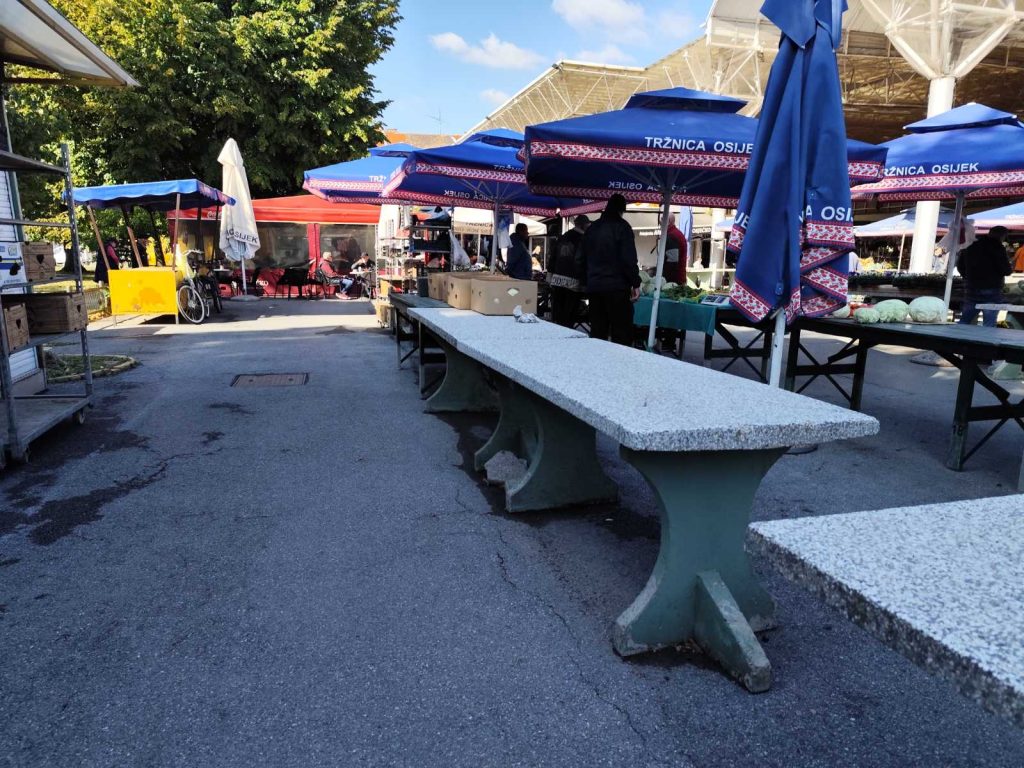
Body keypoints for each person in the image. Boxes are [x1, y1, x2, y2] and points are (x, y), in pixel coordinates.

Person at [581, 193, 640, 345]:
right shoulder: (623, 227)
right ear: (622, 209)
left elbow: (581, 258)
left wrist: (586, 282)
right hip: (617, 289)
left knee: (597, 332)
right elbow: (628, 259)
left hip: (595, 287)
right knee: (621, 334)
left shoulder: (592, 228)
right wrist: (635, 283)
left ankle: (597, 359)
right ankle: (618, 361)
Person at [957, 225, 1012, 327]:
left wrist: (968, 277)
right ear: (1002, 236)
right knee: (989, 324)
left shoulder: (971, 245)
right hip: (991, 289)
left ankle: (956, 335)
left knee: (965, 320)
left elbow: (960, 266)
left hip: (972, 287)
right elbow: (1006, 270)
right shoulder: (997, 247)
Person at [549, 214, 590, 327]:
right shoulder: (583, 239)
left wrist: (550, 274)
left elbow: (553, 257)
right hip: (573, 281)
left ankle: (558, 333)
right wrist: (584, 281)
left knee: (559, 312)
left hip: (557, 279)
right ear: (583, 225)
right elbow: (581, 261)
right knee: (569, 314)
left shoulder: (563, 236)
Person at [662, 218, 688, 284]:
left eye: (662, 219)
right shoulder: (677, 233)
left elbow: (672, 262)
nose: (660, 223)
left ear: (668, 221)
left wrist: (665, 280)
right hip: (679, 277)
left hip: (674, 280)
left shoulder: (672, 235)